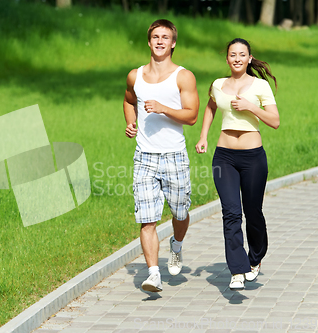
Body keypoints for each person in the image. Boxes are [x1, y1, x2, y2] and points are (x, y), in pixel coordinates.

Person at [195, 38, 280, 290]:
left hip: (253, 157)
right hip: (224, 157)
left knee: (253, 212)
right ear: (227, 58)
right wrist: (203, 136)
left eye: (242, 54)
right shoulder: (218, 85)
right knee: (231, 213)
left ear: (249, 58)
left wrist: (250, 106)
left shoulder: (260, 86)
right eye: (233, 54)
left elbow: (274, 121)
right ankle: (237, 269)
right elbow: (211, 106)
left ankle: (255, 259)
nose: (237, 58)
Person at [123, 19, 199, 292]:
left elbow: (191, 116)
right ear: (149, 41)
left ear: (173, 43)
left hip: (174, 155)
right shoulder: (136, 75)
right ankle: (153, 273)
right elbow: (128, 99)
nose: (159, 41)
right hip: (144, 156)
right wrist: (131, 122)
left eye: (165, 37)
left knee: (180, 211)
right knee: (147, 218)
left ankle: (176, 245)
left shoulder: (183, 76)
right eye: (155, 36)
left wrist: (164, 108)